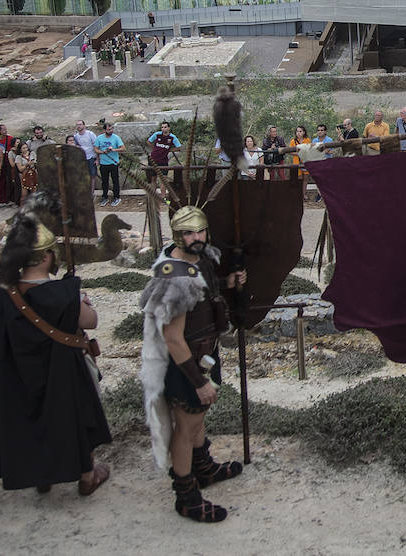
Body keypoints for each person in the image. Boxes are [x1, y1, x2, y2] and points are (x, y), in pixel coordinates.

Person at [0, 215, 112, 496]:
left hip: (18, 373)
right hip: (63, 373)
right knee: (76, 415)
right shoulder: (61, 295)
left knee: (30, 418)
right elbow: (91, 321)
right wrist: (79, 298)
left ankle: (41, 475)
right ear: (47, 256)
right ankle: (86, 476)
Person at [140, 206, 247, 522]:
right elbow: (173, 338)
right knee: (185, 427)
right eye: (188, 233)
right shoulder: (174, 278)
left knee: (198, 418)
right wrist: (198, 381)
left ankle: (203, 468)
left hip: (204, 353)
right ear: (177, 235)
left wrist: (229, 280)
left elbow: (208, 292)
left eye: (200, 231)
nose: (196, 238)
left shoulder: (200, 260)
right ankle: (186, 496)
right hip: (185, 363)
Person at [94, 122, 124, 207]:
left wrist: (114, 150)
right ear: (104, 130)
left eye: (111, 129)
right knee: (104, 181)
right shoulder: (99, 138)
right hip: (103, 163)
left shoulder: (116, 138)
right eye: (108, 129)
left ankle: (116, 197)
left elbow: (123, 148)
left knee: (115, 180)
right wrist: (102, 152)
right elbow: (96, 149)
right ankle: (104, 197)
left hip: (113, 162)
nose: (111, 131)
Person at [72, 121, 97, 192]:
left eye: (80, 124)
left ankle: (92, 191)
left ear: (84, 125)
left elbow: (96, 146)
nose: (78, 126)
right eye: (77, 125)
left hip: (91, 157)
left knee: (92, 175)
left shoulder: (90, 134)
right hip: (82, 159)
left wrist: (98, 159)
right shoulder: (76, 136)